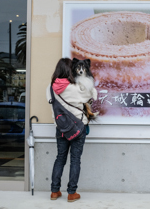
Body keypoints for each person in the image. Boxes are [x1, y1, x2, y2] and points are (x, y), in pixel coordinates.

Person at [46, 58, 91, 202]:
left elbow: (51, 103)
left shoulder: (50, 88)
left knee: (60, 158)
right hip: (77, 128)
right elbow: (89, 98)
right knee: (75, 160)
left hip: (61, 128)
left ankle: (54, 191)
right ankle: (71, 193)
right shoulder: (75, 87)